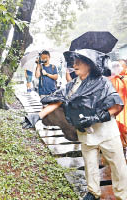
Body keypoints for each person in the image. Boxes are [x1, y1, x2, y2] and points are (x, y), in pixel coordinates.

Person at [23, 49, 127, 200]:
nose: (75, 64)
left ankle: (122, 195)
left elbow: (117, 105)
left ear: (90, 65)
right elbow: (58, 100)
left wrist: (97, 116)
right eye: (74, 61)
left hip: (106, 134)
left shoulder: (103, 82)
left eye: (79, 61)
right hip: (86, 134)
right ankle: (93, 192)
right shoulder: (72, 85)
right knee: (90, 165)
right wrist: (37, 116)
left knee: (118, 167)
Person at [110, 59, 127, 156]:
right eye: (117, 66)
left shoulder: (123, 78)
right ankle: (121, 148)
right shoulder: (112, 78)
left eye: (121, 66)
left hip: (125, 108)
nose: (118, 68)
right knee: (117, 128)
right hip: (116, 108)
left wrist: (121, 78)